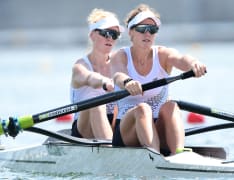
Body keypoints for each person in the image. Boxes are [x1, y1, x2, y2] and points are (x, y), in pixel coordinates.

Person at [111, 4, 207, 155]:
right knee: (143, 108)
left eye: (153, 30)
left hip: (158, 128)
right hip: (128, 131)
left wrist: (194, 63)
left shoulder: (163, 54)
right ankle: (155, 157)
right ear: (131, 32)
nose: (147, 34)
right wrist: (128, 82)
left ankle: (179, 154)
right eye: (142, 29)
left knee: (171, 106)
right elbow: (118, 75)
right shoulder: (120, 56)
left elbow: (182, 59)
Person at [70, 8, 124, 139]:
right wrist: (104, 82)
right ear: (92, 35)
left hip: (114, 121)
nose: (110, 38)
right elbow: (89, 78)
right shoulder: (80, 66)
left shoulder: (120, 63)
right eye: (106, 33)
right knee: (96, 102)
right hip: (84, 127)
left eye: (115, 34)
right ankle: (111, 153)